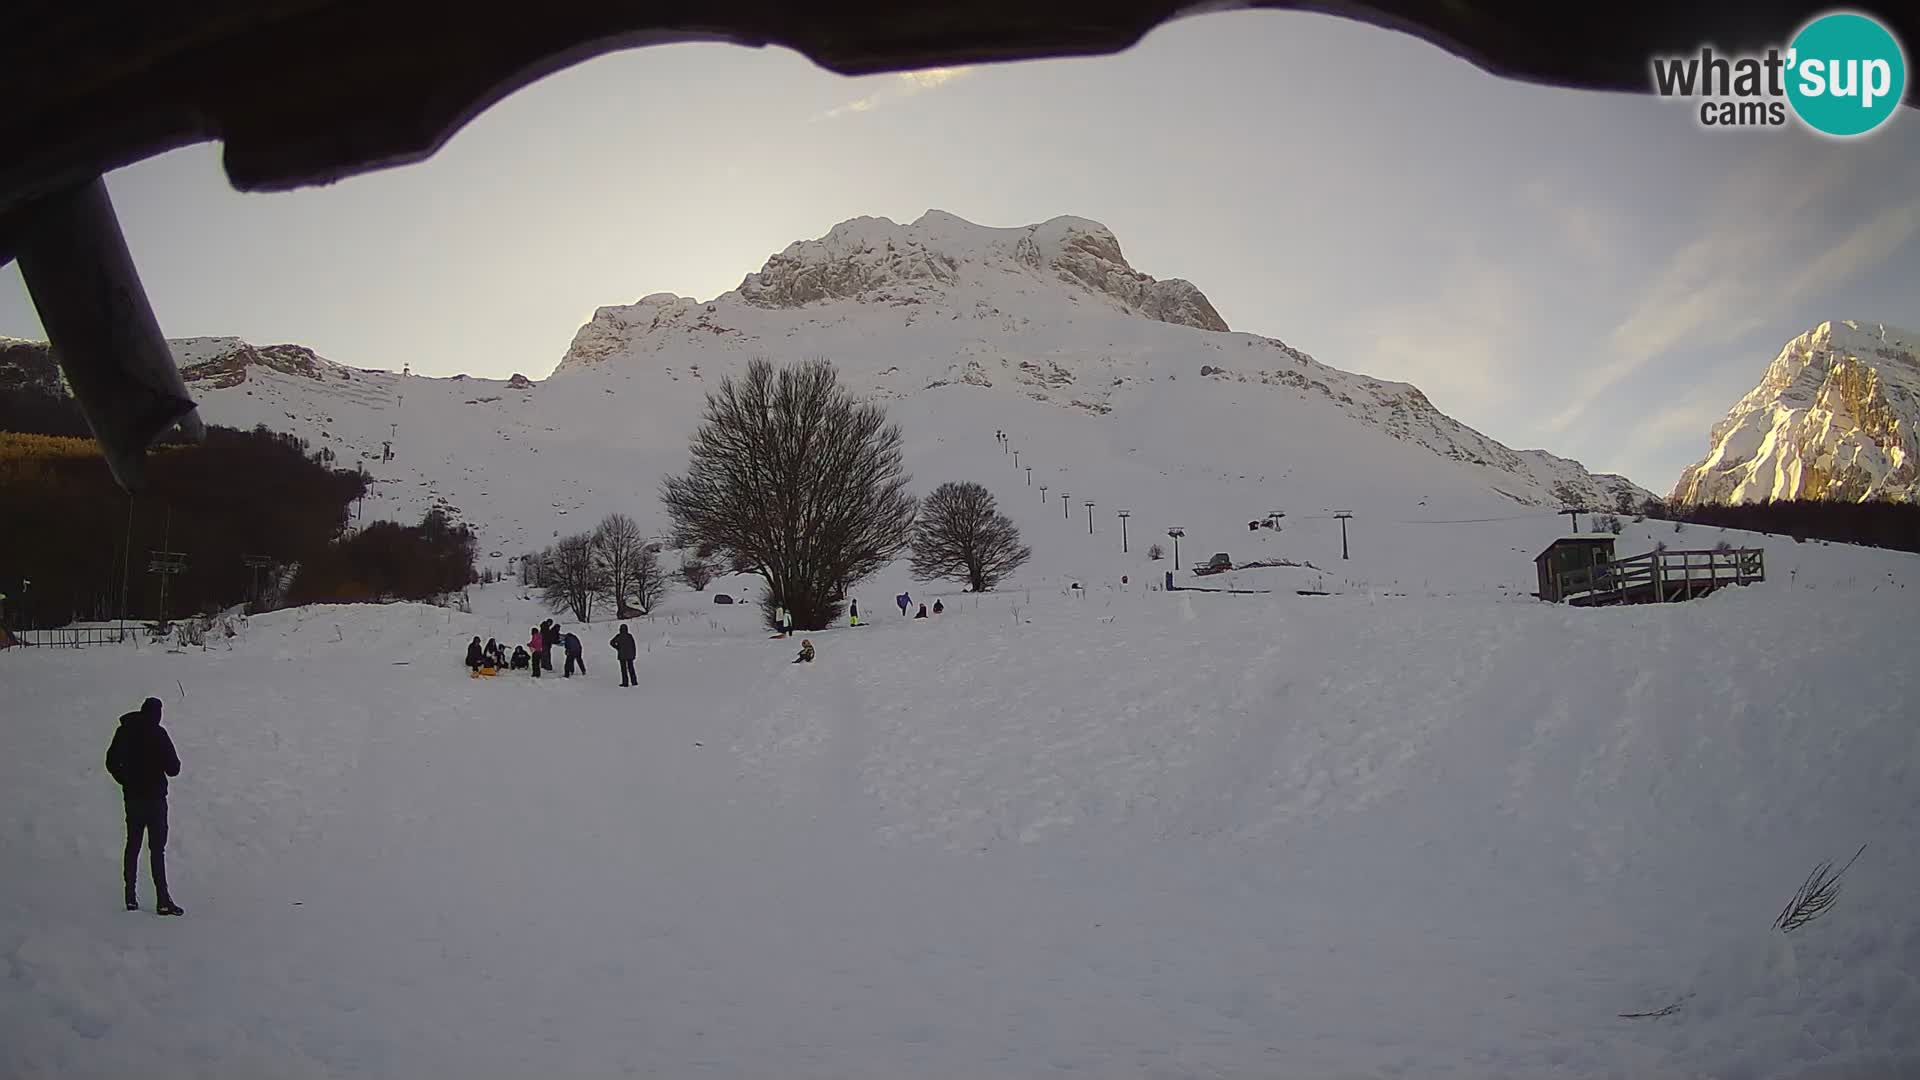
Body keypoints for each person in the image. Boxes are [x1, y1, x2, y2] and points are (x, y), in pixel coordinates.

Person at [105, 697, 184, 915]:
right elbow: (174, 768)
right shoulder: (159, 734)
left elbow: (111, 761)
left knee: (133, 846)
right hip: (156, 800)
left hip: (132, 798)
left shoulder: (125, 731)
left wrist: (125, 780)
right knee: (157, 849)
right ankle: (162, 899)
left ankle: (130, 896)